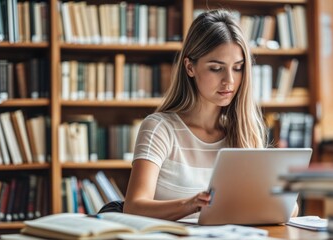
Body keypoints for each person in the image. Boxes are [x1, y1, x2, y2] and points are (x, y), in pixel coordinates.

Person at [123, 9, 296, 220]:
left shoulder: (243, 132)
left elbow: (290, 210)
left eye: (238, 68)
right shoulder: (160, 128)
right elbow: (134, 207)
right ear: (189, 67)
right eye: (216, 68)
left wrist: (283, 199)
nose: (229, 81)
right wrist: (191, 204)